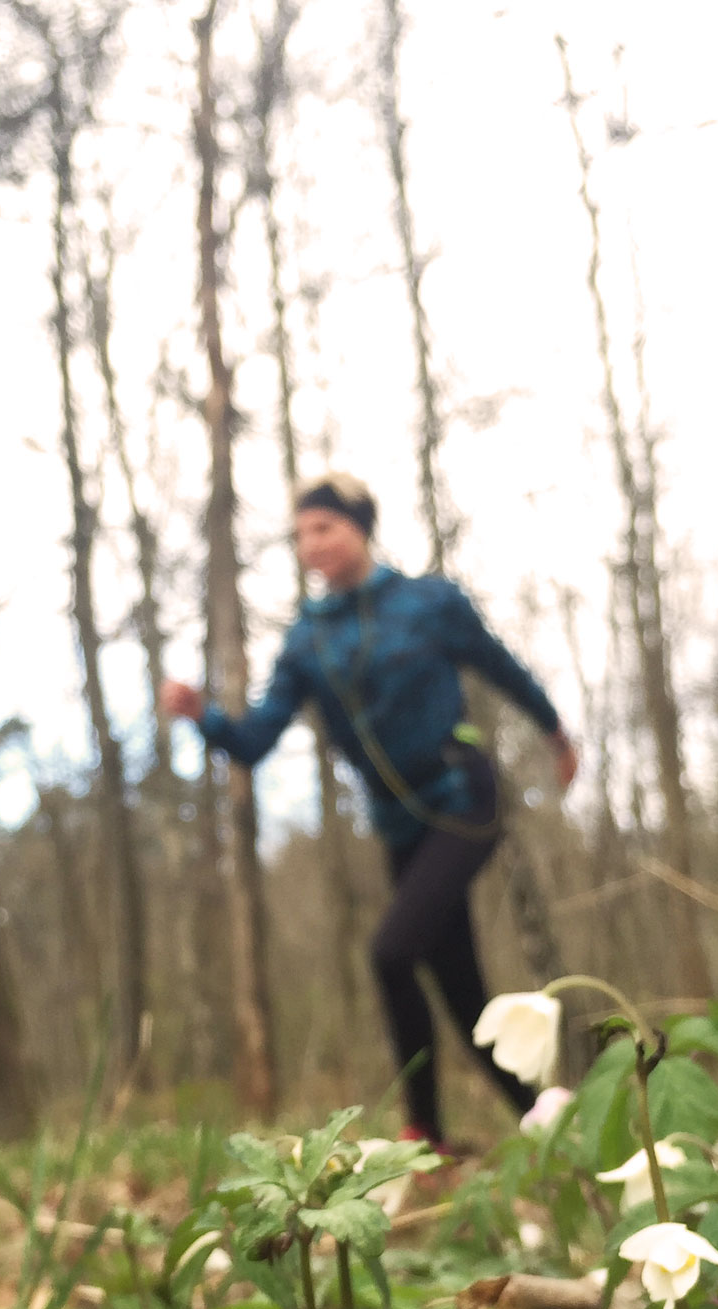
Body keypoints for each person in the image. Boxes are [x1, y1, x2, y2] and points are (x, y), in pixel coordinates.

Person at [161, 473, 577, 1152]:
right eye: (300, 535)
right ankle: (545, 1122)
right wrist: (203, 715)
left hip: (463, 792)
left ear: (359, 528)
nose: (311, 545)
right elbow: (256, 740)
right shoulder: (306, 641)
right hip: (400, 824)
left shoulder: (428, 603)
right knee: (462, 990)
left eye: (324, 528)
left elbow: (498, 667)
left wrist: (554, 731)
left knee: (390, 952)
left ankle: (424, 1134)